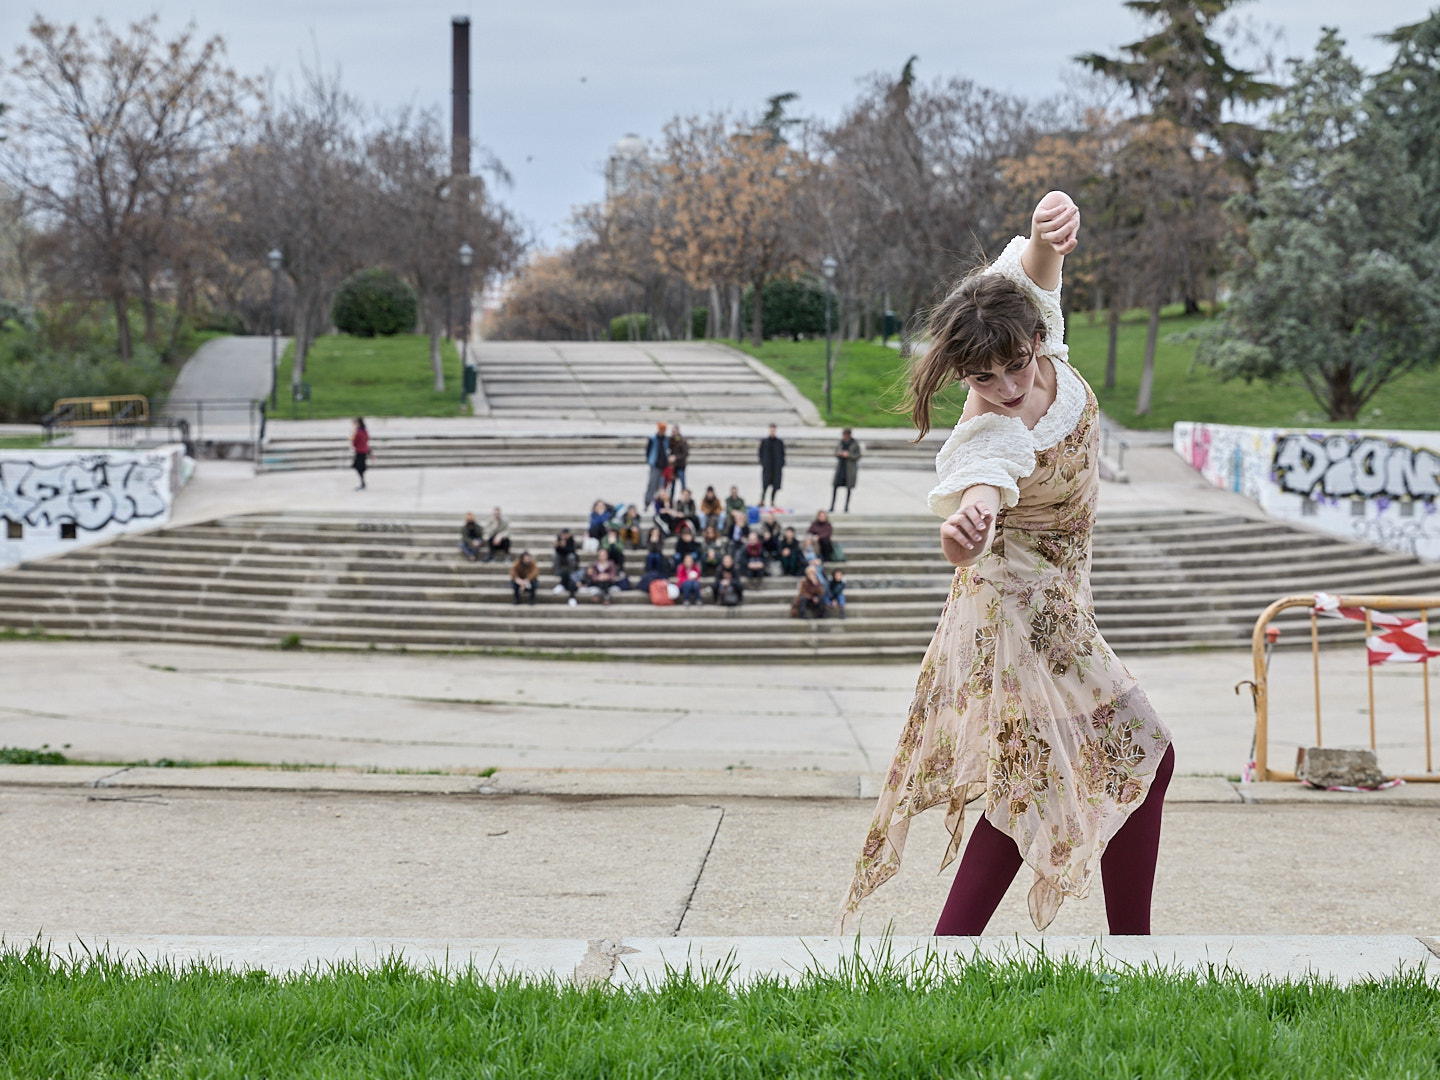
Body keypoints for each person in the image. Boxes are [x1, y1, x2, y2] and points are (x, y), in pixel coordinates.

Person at [838, 189, 1175, 939]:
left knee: (1030, 772)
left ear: (1035, 336)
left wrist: (1049, 224)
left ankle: (949, 953)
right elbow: (977, 497)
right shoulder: (988, 428)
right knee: (1144, 748)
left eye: (1016, 367)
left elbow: (1036, 266)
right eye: (984, 378)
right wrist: (967, 527)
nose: (1010, 387)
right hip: (1016, 602)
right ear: (965, 377)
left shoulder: (1025, 313)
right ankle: (1132, 951)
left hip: (1058, 591)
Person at [830, 428, 862, 512]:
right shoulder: (841, 442)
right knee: (835, 487)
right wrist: (839, 454)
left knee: (848, 489)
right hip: (841, 467)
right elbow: (836, 451)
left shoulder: (854, 443)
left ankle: (846, 507)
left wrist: (849, 455)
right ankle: (832, 506)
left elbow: (858, 455)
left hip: (850, 469)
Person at [758, 423, 786, 507]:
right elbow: (760, 453)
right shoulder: (765, 441)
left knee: (775, 486)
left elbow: (782, 454)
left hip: (776, 468)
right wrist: (763, 462)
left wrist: (781, 464)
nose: (772, 431)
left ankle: (772, 501)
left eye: (773, 430)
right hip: (767, 467)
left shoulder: (779, 442)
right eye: (771, 430)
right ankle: (762, 500)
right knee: (765, 485)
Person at [644, 422, 669, 507]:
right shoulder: (653, 439)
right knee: (652, 484)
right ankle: (647, 502)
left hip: (664, 466)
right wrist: (650, 460)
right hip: (655, 465)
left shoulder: (666, 439)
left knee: (662, 486)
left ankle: (660, 504)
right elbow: (648, 451)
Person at [668, 424, 690, 500]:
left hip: (680, 466)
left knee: (683, 484)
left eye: (674, 431)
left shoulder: (682, 441)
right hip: (673, 467)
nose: (673, 433)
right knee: (672, 485)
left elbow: (685, 453)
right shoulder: (670, 440)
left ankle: (685, 499)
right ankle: (671, 500)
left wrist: (676, 457)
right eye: (672, 431)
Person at [351, 418, 370, 490]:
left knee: (358, 467)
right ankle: (363, 482)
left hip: (360, 451)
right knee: (359, 466)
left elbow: (354, 442)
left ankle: (363, 483)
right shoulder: (364, 431)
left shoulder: (358, 432)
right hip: (364, 450)